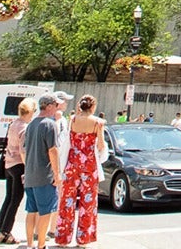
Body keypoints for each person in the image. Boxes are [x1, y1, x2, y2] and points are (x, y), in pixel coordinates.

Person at [54, 94, 105, 247]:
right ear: (93, 107)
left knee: (67, 200)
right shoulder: (97, 123)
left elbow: (67, 140)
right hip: (89, 165)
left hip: (72, 163)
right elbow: (101, 145)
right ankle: (83, 239)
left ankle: (63, 237)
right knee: (87, 203)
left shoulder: (73, 120)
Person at [21, 95, 62, 249]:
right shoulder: (49, 125)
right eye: (56, 105)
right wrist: (57, 174)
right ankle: (41, 244)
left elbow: (24, 150)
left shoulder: (31, 124)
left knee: (31, 210)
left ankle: (30, 243)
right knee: (46, 211)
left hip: (31, 173)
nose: (57, 108)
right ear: (49, 106)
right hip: (44, 174)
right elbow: (53, 150)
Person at [0, 97, 35, 245]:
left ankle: (1, 228)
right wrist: (28, 168)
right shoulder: (25, 128)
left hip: (9, 164)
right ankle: (6, 231)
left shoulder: (13, 124)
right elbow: (23, 151)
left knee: (9, 198)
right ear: (30, 112)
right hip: (19, 165)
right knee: (16, 200)